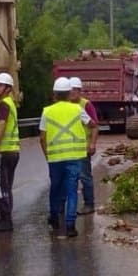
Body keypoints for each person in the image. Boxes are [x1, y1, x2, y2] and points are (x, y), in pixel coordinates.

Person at [39, 76, 97, 238]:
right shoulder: (77, 110)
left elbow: (42, 138)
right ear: (68, 93)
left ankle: (54, 218)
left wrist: (47, 156)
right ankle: (70, 226)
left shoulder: (47, 111)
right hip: (74, 158)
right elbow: (93, 125)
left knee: (55, 189)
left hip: (55, 159)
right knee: (72, 191)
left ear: (55, 94)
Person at [0, 72, 21, 232]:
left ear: (8, 88)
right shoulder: (10, 103)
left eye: (0, 85)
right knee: (6, 187)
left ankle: (5, 220)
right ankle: (6, 219)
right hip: (12, 152)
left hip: (3, 152)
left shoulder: (4, 105)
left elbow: (2, 125)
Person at [68, 76, 99, 215]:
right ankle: (70, 207)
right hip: (68, 149)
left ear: (80, 91)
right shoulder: (65, 105)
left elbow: (95, 126)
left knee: (85, 177)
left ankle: (89, 204)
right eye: (70, 89)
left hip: (83, 148)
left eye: (75, 89)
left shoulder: (86, 105)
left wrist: (92, 144)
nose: (73, 92)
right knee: (70, 179)